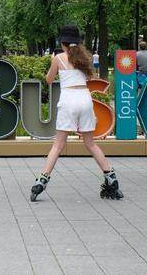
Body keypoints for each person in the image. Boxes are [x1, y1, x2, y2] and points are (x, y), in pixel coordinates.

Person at [30, 25, 123, 201]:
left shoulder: (58, 58)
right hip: (84, 99)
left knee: (58, 145)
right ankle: (111, 177)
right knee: (90, 143)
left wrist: (53, 62)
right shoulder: (84, 58)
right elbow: (88, 78)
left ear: (61, 42)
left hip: (68, 99)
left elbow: (49, 80)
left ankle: (41, 181)